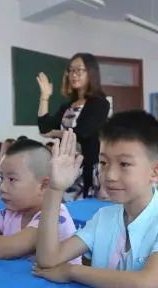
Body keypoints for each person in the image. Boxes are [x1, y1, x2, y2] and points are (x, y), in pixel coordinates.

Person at [33, 111, 158, 288]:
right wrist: (55, 189)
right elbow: (48, 259)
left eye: (124, 164)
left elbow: (144, 287)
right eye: (104, 163)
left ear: (156, 172)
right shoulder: (104, 217)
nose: (110, 175)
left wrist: (72, 271)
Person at [0, 140, 79, 261]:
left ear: (43, 185)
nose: (2, 187)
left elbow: (5, 248)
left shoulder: (55, 216)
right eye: (2, 178)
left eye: (12, 179)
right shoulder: (12, 213)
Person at [37, 53, 110, 198]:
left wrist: (55, 133)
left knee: (83, 211)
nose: (73, 75)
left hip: (87, 168)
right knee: (65, 211)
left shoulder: (100, 103)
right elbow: (44, 127)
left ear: (91, 73)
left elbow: (83, 132)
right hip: (65, 167)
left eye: (79, 70)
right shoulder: (68, 106)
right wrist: (44, 97)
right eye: (71, 70)